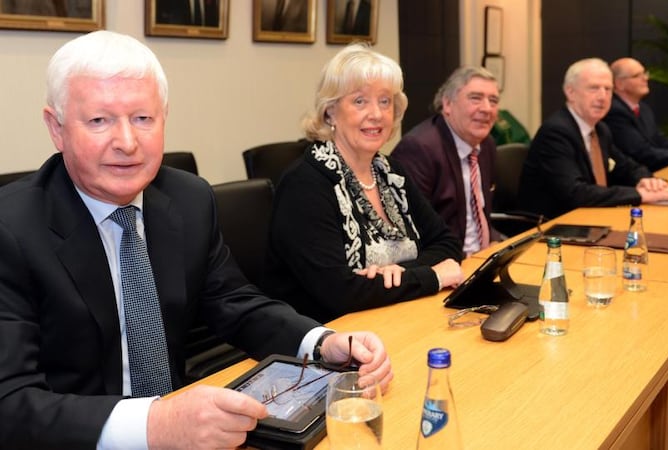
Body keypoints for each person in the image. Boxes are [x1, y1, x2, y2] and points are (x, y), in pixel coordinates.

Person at [0, 30, 392, 450]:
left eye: (142, 118)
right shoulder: (11, 228)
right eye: (99, 120)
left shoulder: (188, 199)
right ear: (56, 128)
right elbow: (11, 403)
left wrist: (322, 343)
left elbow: (237, 305)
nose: (127, 142)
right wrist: (155, 424)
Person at [262, 43, 464, 324]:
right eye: (360, 101)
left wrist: (398, 272)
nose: (377, 114)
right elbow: (340, 292)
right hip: (327, 339)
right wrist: (431, 276)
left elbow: (448, 243)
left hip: (395, 317)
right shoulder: (304, 184)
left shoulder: (389, 172)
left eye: (385, 101)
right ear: (330, 112)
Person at [517, 58, 668, 220]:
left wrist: (646, 180)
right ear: (570, 92)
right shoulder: (556, 132)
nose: (603, 96)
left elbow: (627, 166)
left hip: (592, 218)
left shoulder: (600, 129)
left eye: (608, 89)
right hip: (552, 227)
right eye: (594, 88)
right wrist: (639, 195)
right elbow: (575, 193)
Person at [392, 66, 502, 255]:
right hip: (448, 264)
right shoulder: (419, 149)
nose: (486, 109)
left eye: (493, 101)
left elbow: (480, 215)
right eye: (475, 98)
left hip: (485, 255)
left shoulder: (486, 144)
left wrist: (493, 242)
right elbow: (413, 233)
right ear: (448, 104)